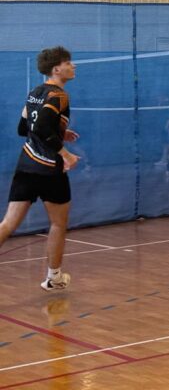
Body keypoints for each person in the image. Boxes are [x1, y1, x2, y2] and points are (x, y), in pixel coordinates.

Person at [0, 46, 81, 292]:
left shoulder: (34, 93)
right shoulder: (59, 95)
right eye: (68, 63)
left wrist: (60, 132)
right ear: (56, 69)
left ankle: (55, 277)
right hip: (48, 169)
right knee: (58, 224)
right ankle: (54, 278)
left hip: (26, 165)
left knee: (7, 224)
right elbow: (43, 128)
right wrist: (66, 154)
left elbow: (23, 128)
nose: (73, 66)